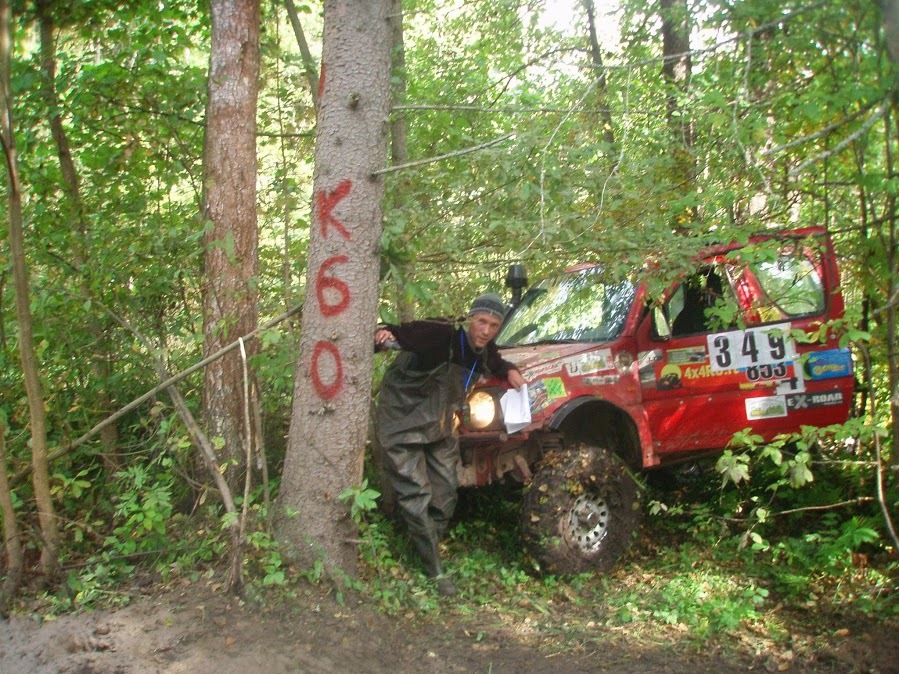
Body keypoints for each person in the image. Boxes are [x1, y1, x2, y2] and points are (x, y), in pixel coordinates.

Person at [374, 292, 526, 596]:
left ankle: (421, 545)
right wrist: (382, 335)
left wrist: (510, 370)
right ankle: (434, 570)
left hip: (441, 427)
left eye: (494, 325)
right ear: (469, 318)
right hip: (400, 426)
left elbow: (494, 360)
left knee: (445, 495)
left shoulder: (483, 349)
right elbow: (395, 334)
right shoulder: (441, 332)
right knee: (416, 494)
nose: (486, 330)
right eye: (481, 321)